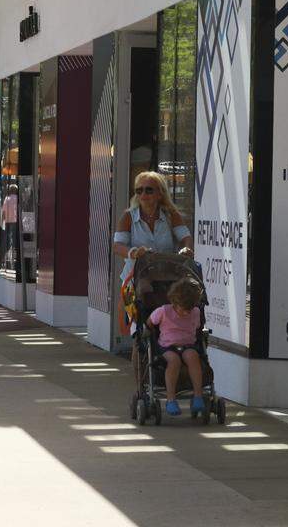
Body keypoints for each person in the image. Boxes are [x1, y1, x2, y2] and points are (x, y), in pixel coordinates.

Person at [148, 276, 206, 417]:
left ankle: (198, 396)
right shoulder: (163, 311)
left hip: (188, 345)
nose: (186, 313)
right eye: (183, 309)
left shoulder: (195, 312)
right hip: (167, 346)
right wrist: (150, 333)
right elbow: (149, 322)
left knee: (193, 357)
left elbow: (197, 327)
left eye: (189, 309)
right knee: (174, 361)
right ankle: (171, 399)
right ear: (174, 301)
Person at [112, 171, 193, 262]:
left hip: (166, 273)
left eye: (149, 190)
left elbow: (185, 237)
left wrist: (186, 249)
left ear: (160, 193)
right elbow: (117, 246)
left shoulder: (171, 214)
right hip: (137, 274)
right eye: (139, 191)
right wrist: (134, 253)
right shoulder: (128, 216)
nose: (143, 194)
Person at [1, 184, 19, 268]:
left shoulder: (7, 199)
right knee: (15, 240)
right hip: (16, 222)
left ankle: (3, 259)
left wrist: (2, 222)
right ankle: (15, 258)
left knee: (7, 240)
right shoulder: (19, 199)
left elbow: (3, 212)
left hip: (8, 222)